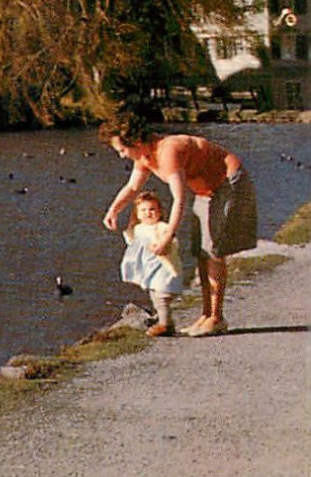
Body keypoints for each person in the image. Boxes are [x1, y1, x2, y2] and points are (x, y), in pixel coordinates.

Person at [101, 110, 258, 337]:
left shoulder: (168, 151)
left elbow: (180, 198)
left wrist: (167, 237)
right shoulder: (144, 156)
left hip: (228, 182)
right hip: (207, 190)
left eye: (122, 150)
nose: (122, 156)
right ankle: (206, 315)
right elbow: (133, 188)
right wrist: (113, 210)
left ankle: (216, 317)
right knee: (201, 251)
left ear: (135, 141)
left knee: (212, 250)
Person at [120, 190, 186, 336]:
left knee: (162, 296)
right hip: (149, 269)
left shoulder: (161, 227)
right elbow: (131, 239)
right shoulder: (138, 228)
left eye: (152, 210)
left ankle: (164, 324)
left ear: (160, 212)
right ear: (137, 214)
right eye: (143, 210)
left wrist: (164, 244)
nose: (148, 213)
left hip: (164, 268)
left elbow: (173, 240)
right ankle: (165, 320)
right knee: (155, 295)